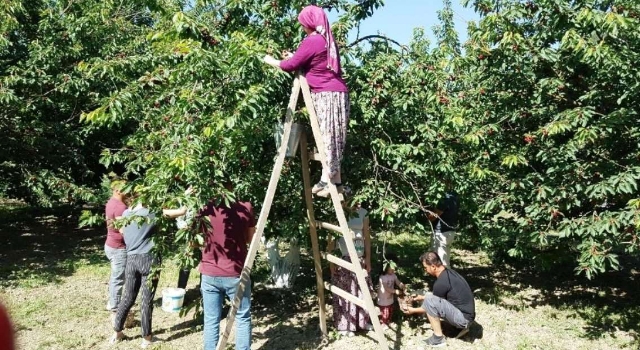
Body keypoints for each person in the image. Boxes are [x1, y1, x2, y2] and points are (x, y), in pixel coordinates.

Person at [263, 5, 349, 197]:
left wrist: (270, 61)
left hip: (327, 94)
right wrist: (296, 56)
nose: (303, 27)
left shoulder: (314, 40)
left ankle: (326, 180)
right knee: (334, 136)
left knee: (328, 135)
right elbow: (311, 61)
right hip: (336, 92)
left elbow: (290, 65)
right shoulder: (326, 39)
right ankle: (336, 181)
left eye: (303, 23)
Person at [166, 184, 255, 350]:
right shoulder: (245, 207)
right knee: (242, 317)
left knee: (211, 319)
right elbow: (250, 239)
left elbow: (193, 242)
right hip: (235, 273)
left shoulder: (204, 208)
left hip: (209, 273)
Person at [110, 203, 160, 348]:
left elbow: (121, 229)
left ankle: (117, 332)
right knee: (146, 299)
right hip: (149, 259)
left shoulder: (126, 214)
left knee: (127, 297)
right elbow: (178, 211)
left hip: (131, 259)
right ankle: (147, 338)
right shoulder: (150, 212)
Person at [403, 251, 475, 348]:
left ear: (433, 266)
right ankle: (459, 328)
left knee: (430, 300)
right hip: (468, 315)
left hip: (463, 319)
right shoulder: (448, 272)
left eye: (425, 268)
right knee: (429, 297)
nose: (425, 270)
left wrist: (413, 310)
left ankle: (438, 338)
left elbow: (431, 304)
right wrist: (422, 297)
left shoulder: (440, 283)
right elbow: (440, 298)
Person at [327, 200, 373, 336]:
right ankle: (345, 325)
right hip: (343, 254)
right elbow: (331, 239)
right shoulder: (338, 212)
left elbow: (367, 237)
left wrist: (368, 258)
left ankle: (362, 322)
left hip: (359, 255)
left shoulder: (363, 212)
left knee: (361, 289)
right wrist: (331, 261)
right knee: (345, 290)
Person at [104, 179, 128, 313]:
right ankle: (116, 306)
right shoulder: (120, 207)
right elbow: (123, 230)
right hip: (118, 247)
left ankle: (112, 301)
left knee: (115, 276)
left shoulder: (111, 202)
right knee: (118, 278)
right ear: (118, 190)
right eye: (126, 188)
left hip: (110, 244)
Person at [428, 190, 459, 267]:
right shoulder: (455, 197)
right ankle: (446, 276)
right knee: (445, 258)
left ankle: (444, 277)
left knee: (440, 260)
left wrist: (427, 214)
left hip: (441, 233)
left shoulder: (445, 199)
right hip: (450, 231)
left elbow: (433, 216)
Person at [377, 259, 405, 329]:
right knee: (385, 312)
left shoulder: (393, 275)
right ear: (386, 268)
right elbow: (386, 288)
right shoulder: (383, 277)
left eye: (394, 269)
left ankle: (388, 321)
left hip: (390, 297)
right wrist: (395, 291)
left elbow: (397, 281)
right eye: (391, 269)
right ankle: (383, 323)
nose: (393, 271)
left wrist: (401, 285)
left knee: (390, 310)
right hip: (383, 298)